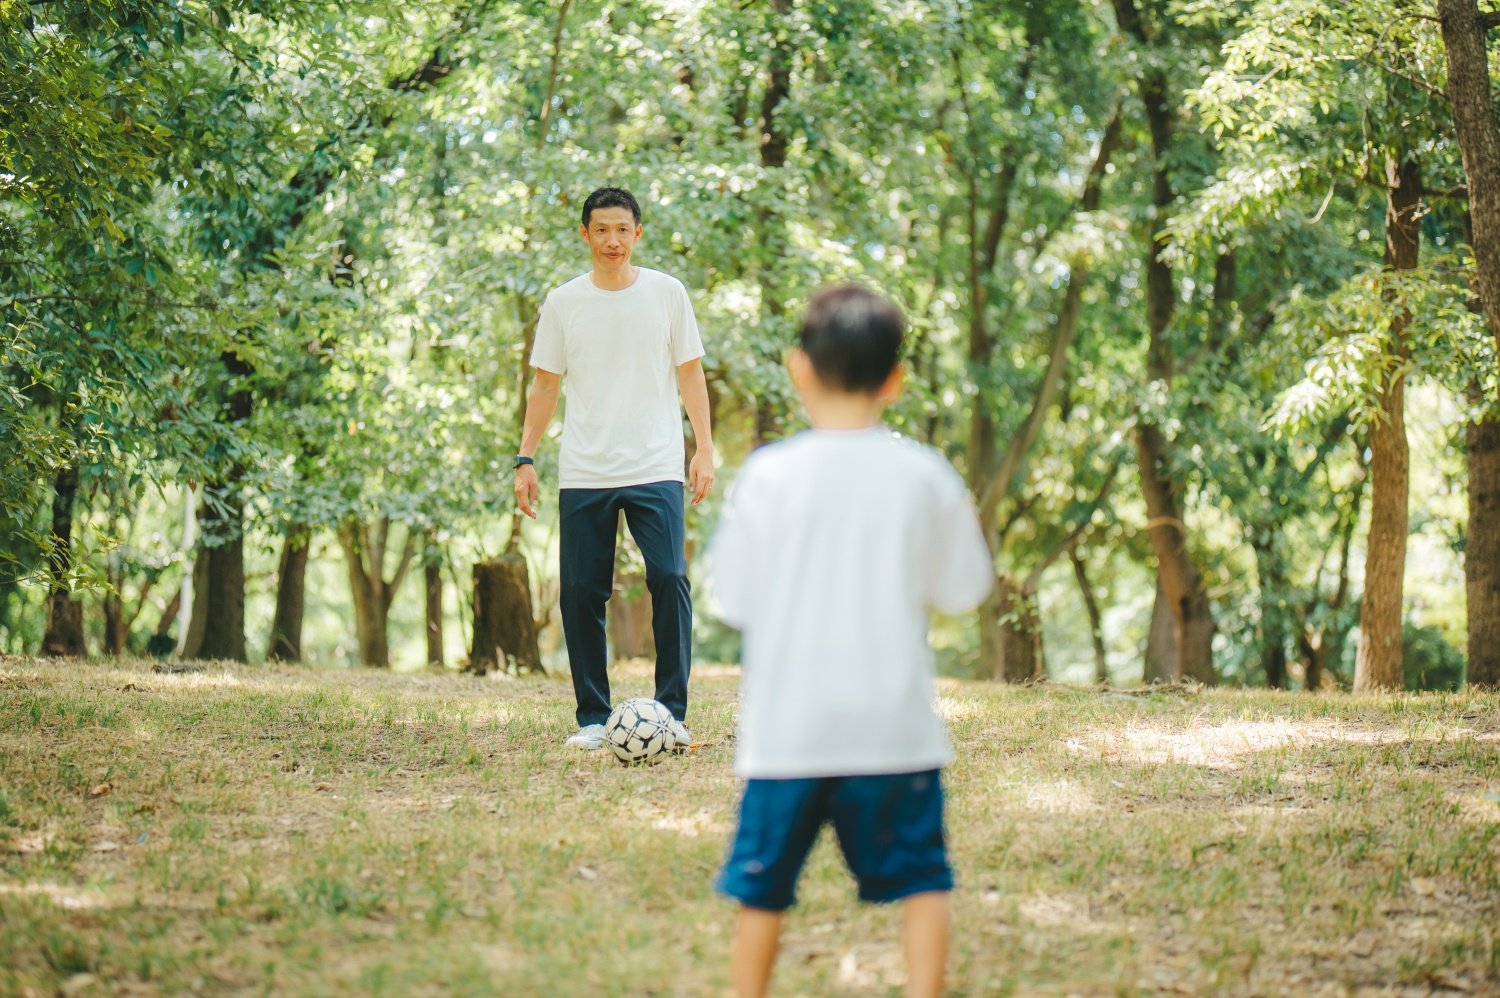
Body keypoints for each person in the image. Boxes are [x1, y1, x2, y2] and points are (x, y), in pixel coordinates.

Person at [708, 285, 993, 998]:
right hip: (893, 729)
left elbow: (730, 599)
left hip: (788, 732)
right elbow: (964, 590)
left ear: (798, 369)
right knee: (924, 876)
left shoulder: (769, 476)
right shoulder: (925, 475)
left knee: (762, 888)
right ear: (896, 380)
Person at [515, 186, 714, 750]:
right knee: (580, 592)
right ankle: (592, 719)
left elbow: (692, 374)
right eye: (601, 230)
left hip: (656, 463)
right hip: (585, 468)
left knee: (670, 578)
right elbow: (545, 384)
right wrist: (525, 456)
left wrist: (704, 448)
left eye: (622, 230)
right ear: (585, 234)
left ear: (637, 234)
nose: (612, 241)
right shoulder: (563, 303)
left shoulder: (667, 293)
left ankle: (672, 712)